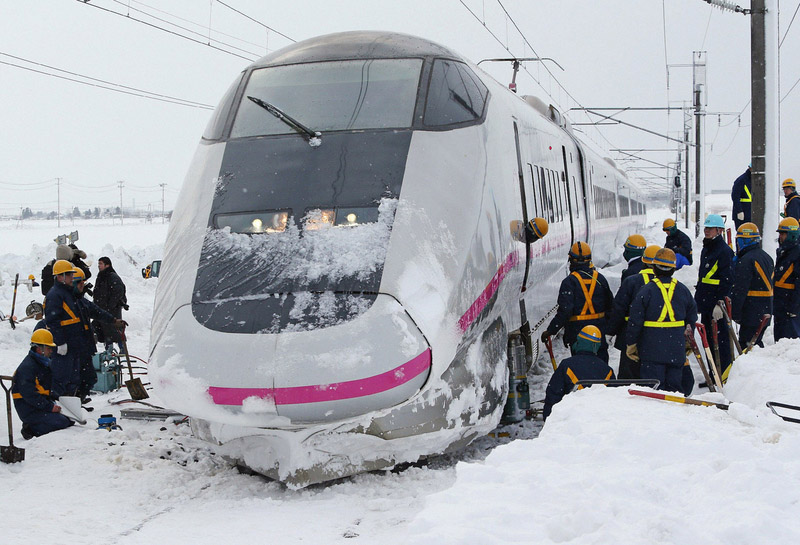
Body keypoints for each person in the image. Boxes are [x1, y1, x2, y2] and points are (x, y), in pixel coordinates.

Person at [626, 248, 698, 394]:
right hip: (676, 350)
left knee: (653, 392)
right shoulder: (683, 290)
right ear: (673, 269)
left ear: (654, 268)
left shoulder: (646, 291)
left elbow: (635, 320)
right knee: (674, 392)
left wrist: (631, 344)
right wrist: (688, 341)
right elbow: (691, 319)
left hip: (651, 350)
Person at [541, 242, 613, 363]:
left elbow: (565, 311)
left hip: (578, 334)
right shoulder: (600, 279)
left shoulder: (569, 282)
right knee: (601, 365)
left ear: (571, 260)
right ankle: (603, 381)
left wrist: (551, 330)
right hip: (598, 332)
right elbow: (610, 306)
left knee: (581, 366)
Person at [72, 267, 123, 404]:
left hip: (83, 346)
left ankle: (79, 401)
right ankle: (73, 404)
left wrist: (113, 320)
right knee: (72, 379)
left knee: (88, 377)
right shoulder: (65, 300)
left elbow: (96, 311)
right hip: (72, 348)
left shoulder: (80, 300)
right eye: (79, 283)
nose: (82, 286)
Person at [608, 244, 659, 379]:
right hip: (656, 337)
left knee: (628, 375)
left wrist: (610, 331)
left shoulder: (631, 281)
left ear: (643, 261)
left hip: (629, 334)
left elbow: (619, 309)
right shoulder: (668, 284)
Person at [542, 325, 615, 421]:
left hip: (573, 418)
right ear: (596, 346)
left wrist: (548, 419)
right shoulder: (607, 370)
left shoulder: (566, 365)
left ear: (579, 343)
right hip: (599, 419)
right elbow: (614, 399)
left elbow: (553, 395)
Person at [11, 329, 74, 439]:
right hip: (28, 409)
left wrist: (59, 399)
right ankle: (30, 428)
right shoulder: (27, 367)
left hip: (39, 405)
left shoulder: (42, 363)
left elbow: (45, 389)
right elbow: (29, 395)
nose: (51, 351)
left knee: (68, 419)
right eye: (49, 348)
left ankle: (38, 423)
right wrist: (49, 407)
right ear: (39, 348)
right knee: (61, 422)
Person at [694, 214, 734, 375]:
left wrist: (720, 302)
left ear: (719, 230)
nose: (707, 231)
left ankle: (723, 374)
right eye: (706, 228)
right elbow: (703, 276)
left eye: (710, 228)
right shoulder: (707, 248)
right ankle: (713, 373)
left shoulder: (724, 251)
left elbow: (727, 279)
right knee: (709, 341)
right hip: (706, 302)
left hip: (716, 304)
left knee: (721, 341)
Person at [730, 223, 773, 353]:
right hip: (765, 311)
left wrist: (735, 313)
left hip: (751, 312)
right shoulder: (766, 257)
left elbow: (740, 290)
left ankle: (752, 372)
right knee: (756, 344)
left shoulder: (746, 261)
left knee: (747, 347)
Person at [44, 259, 84, 397]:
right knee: (61, 378)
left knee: (73, 378)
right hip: (64, 344)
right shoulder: (55, 295)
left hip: (73, 343)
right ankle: (58, 409)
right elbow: (52, 321)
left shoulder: (68, 292)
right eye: (70, 275)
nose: (72, 277)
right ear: (60, 276)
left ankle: (70, 408)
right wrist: (60, 342)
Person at [773, 217, 800, 341]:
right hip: (780, 305)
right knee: (779, 338)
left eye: (783, 234)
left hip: (790, 306)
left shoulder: (797, 253)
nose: (781, 237)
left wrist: (794, 307)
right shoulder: (783, 252)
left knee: (790, 340)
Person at [92, 256, 128, 348]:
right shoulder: (101, 276)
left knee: (116, 330)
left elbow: (118, 292)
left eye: (101, 264)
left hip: (112, 310)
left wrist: (110, 305)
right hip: (102, 309)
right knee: (104, 331)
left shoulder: (112, 277)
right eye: (98, 264)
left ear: (107, 265)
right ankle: (109, 349)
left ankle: (122, 348)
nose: (99, 266)